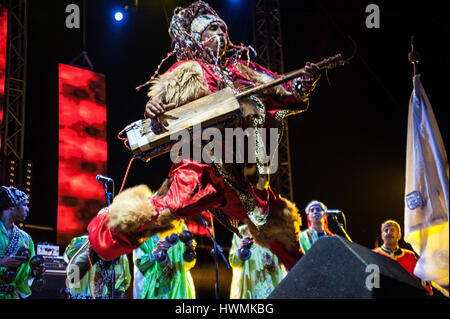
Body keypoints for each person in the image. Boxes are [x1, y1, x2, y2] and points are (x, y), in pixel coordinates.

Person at [77, 0, 322, 277]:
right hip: (200, 161)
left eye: (223, 29)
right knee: (164, 211)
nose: (220, 34)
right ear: (197, 37)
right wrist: (154, 108)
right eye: (212, 29)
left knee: (273, 220)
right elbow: (160, 106)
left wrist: (304, 81)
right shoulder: (188, 70)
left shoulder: (243, 70)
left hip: (239, 171)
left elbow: (281, 89)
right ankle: (98, 242)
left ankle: (312, 279)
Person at [0, 186, 45, 299]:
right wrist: (2, 262)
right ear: (12, 206)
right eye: (24, 204)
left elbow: (27, 272)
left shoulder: (25, 239)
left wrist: (35, 271)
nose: (27, 209)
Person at [133, 225, 196, 299]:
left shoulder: (180, 227)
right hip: (154, 290)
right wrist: (155, 253)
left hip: (179, 289)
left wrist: (190, 251)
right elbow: (140, 264)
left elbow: (188, 265)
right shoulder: (144, 228)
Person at [372, 220, 432, 295]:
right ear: (382, 236)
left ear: (399, 235)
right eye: (386, 230)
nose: (388, 233)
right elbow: (370, 283)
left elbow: (421, 280)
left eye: (392, 230)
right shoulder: (374, 254)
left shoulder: (410, 256)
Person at [228, 224, 286, 299]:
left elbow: (284, 261)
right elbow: (234, 262)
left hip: (272, 287)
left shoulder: (275, 231)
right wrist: (242, 249)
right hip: (250, 289)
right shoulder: (242, 232)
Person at [64, 234, 131, 299]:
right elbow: (68, 256)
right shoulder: (80, 241)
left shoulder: (117, 249)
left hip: (104, 296)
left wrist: (119, 291)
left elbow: (123, 279)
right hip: (79, 295)